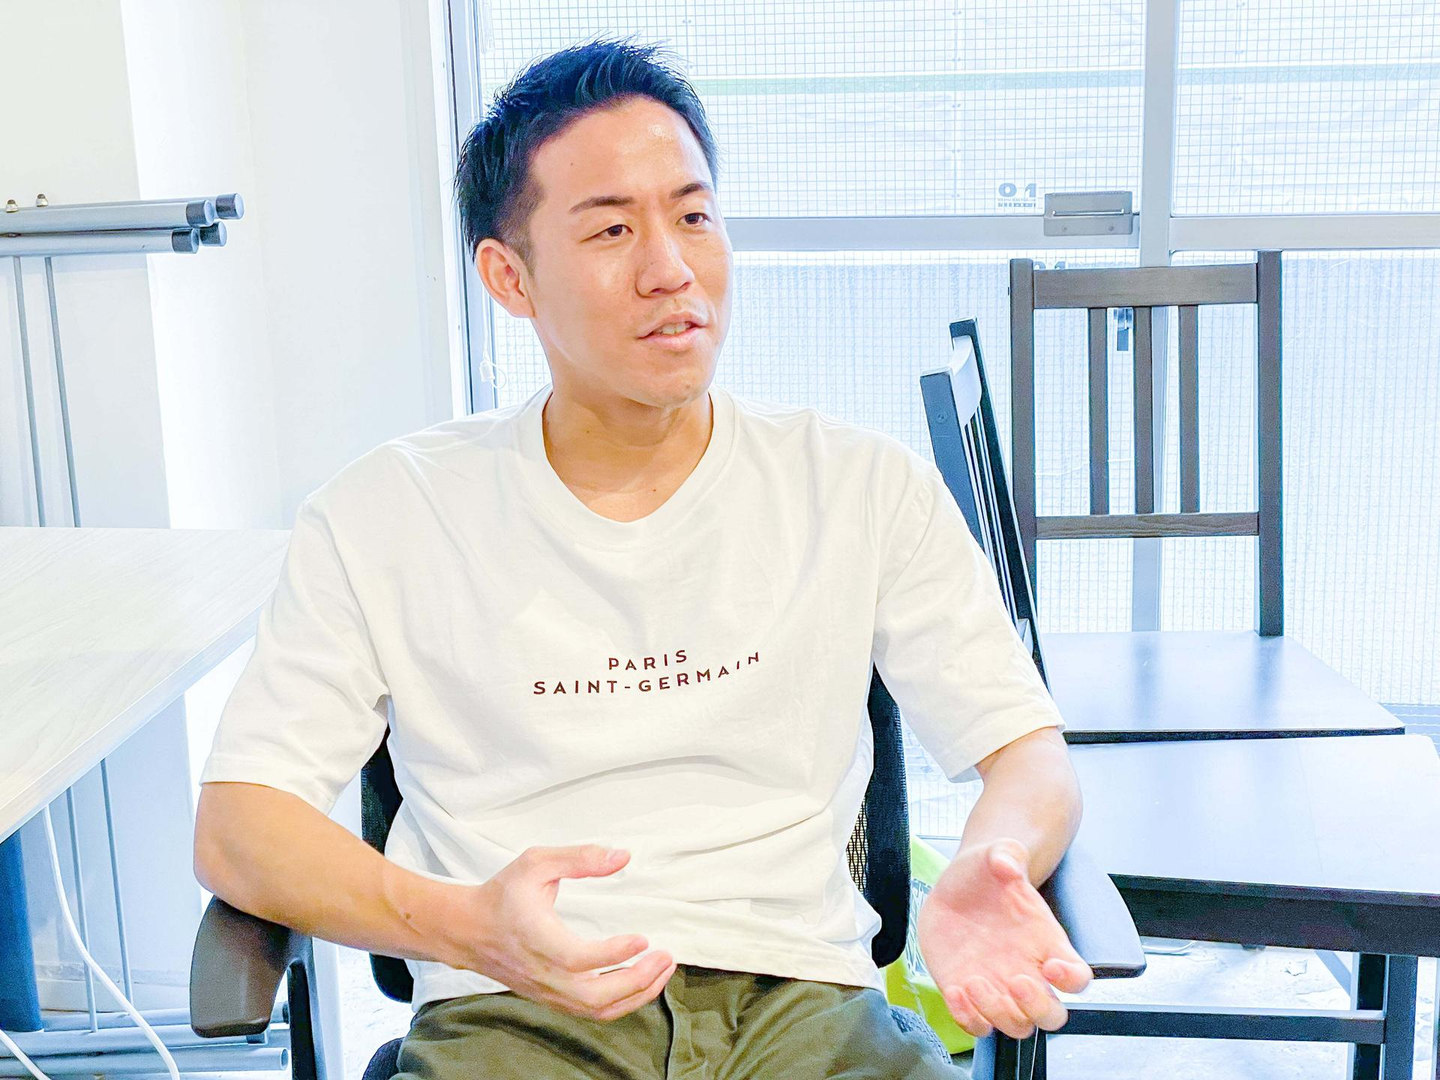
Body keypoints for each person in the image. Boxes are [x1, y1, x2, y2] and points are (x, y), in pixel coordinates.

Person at [193, 36, 1091, 1079]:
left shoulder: (855, 484)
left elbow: (1027, 753)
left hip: (804, 1008)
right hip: (516, 1016)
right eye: (613, 229)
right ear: (509, 276)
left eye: (694, 216)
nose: (671, 269)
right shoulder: (387, 514)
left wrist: (994, 855)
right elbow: (240, 825)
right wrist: (464, 926)